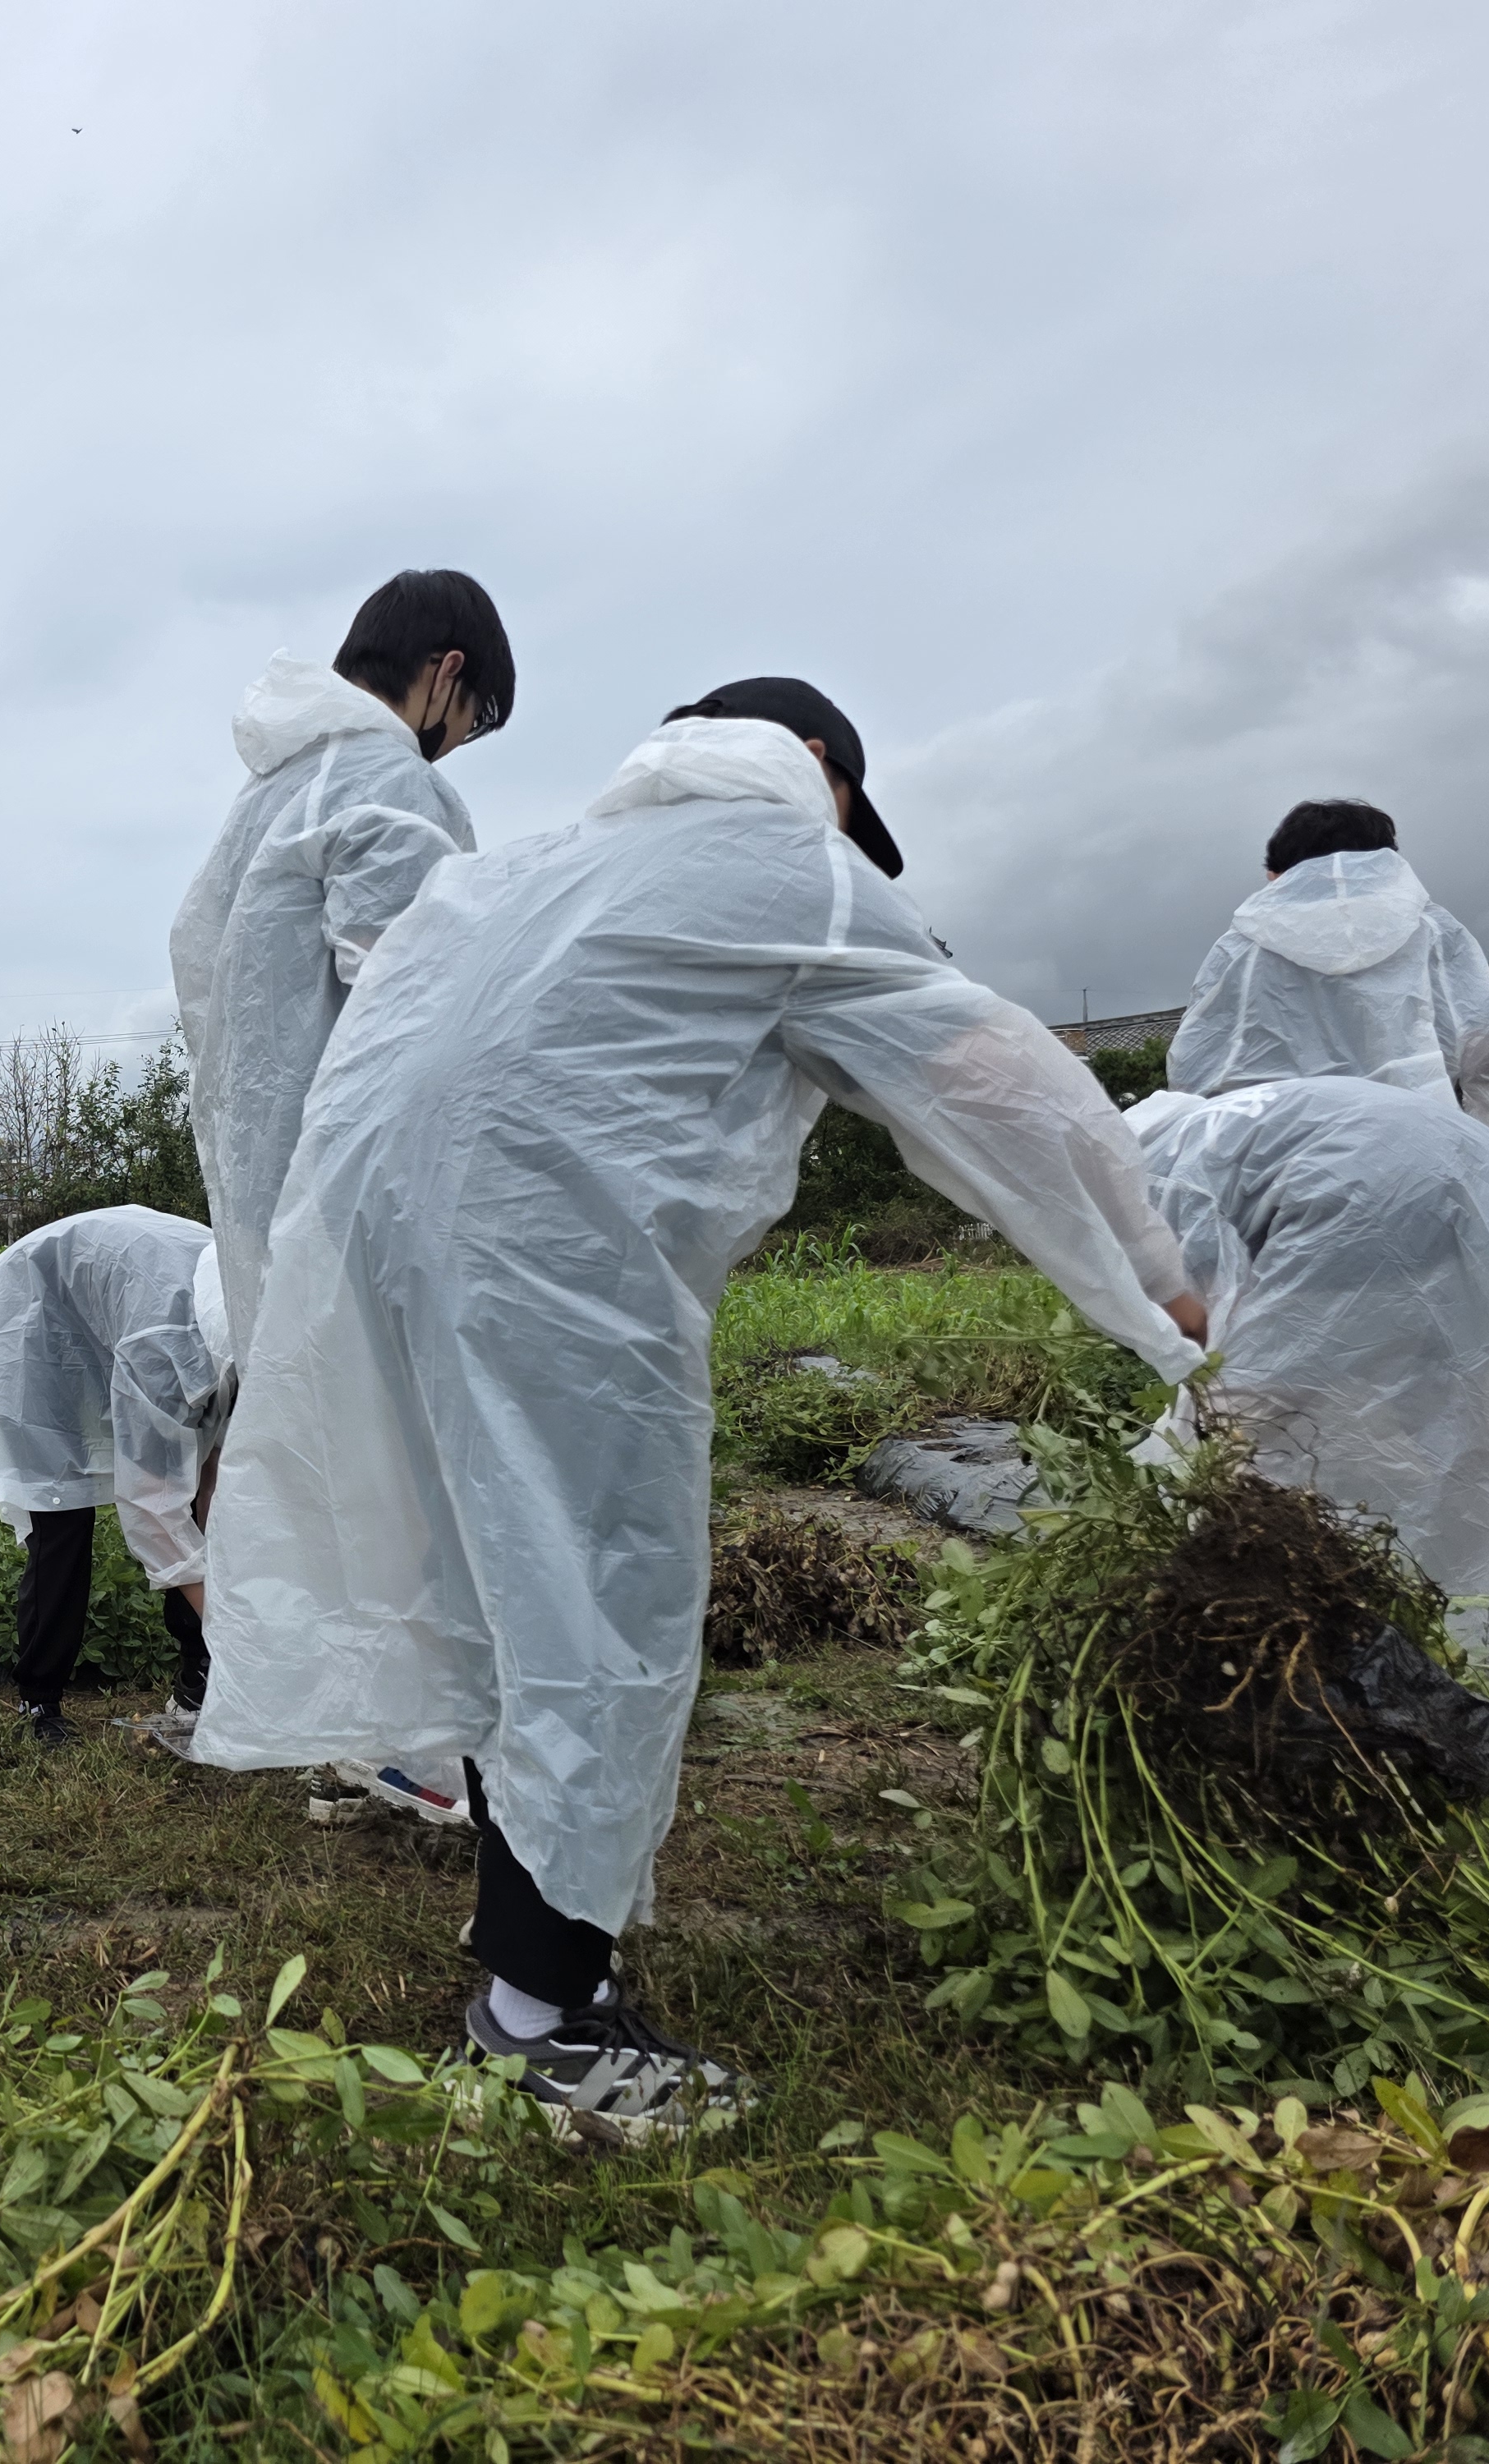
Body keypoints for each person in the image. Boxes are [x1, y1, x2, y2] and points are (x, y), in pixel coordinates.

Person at [192, 680, 1210, 2135]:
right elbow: (996, 1080)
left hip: (376, 1257)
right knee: (601, 1601)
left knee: (507, 1599)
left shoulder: (537, 868)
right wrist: (1163, 1287)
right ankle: (540, 2026)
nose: (852, 840)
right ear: (812, 768)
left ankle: (528, 1973)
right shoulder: (787, 862)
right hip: (552, 1269)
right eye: (853, 809)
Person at [1126, 1075, 1489, 1716]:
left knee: (1260, 1438)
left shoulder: (1149, 1182)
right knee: (1457, 1411)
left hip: (1354, 1201)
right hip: (1470, 1178)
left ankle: (1255, 1655)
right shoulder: (1223, 1128)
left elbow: (1209, 1338)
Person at [170, 569, 512, 1364]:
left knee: (300, 1439)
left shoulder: (269, 793)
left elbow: (197, 958)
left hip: (265, 1191)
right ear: (446, 673)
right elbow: (409, 1012)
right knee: (376, 1454)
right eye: (466, 720)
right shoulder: (394, 783)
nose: (455, 744)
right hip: (354, 1197)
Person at [1169, 798, 1489, 1154]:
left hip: (1274, 1165)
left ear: (1278, 874)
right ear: (1386, 866)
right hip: (1420, 1155)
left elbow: (1196, 1073)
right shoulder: (1433, 934)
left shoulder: (1242, 948)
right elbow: (1485, 1057)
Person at [0, 1206, 230, 1746]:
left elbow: (214, 1483)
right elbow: (149, 1503)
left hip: (137, 1299)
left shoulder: (255, 1339)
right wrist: (233, 1630)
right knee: (60, 1508)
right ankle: (38, 1701)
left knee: (206, 1509)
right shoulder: (167, 1347)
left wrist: (224, 1608)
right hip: (38, 1305)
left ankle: (199, 1685)